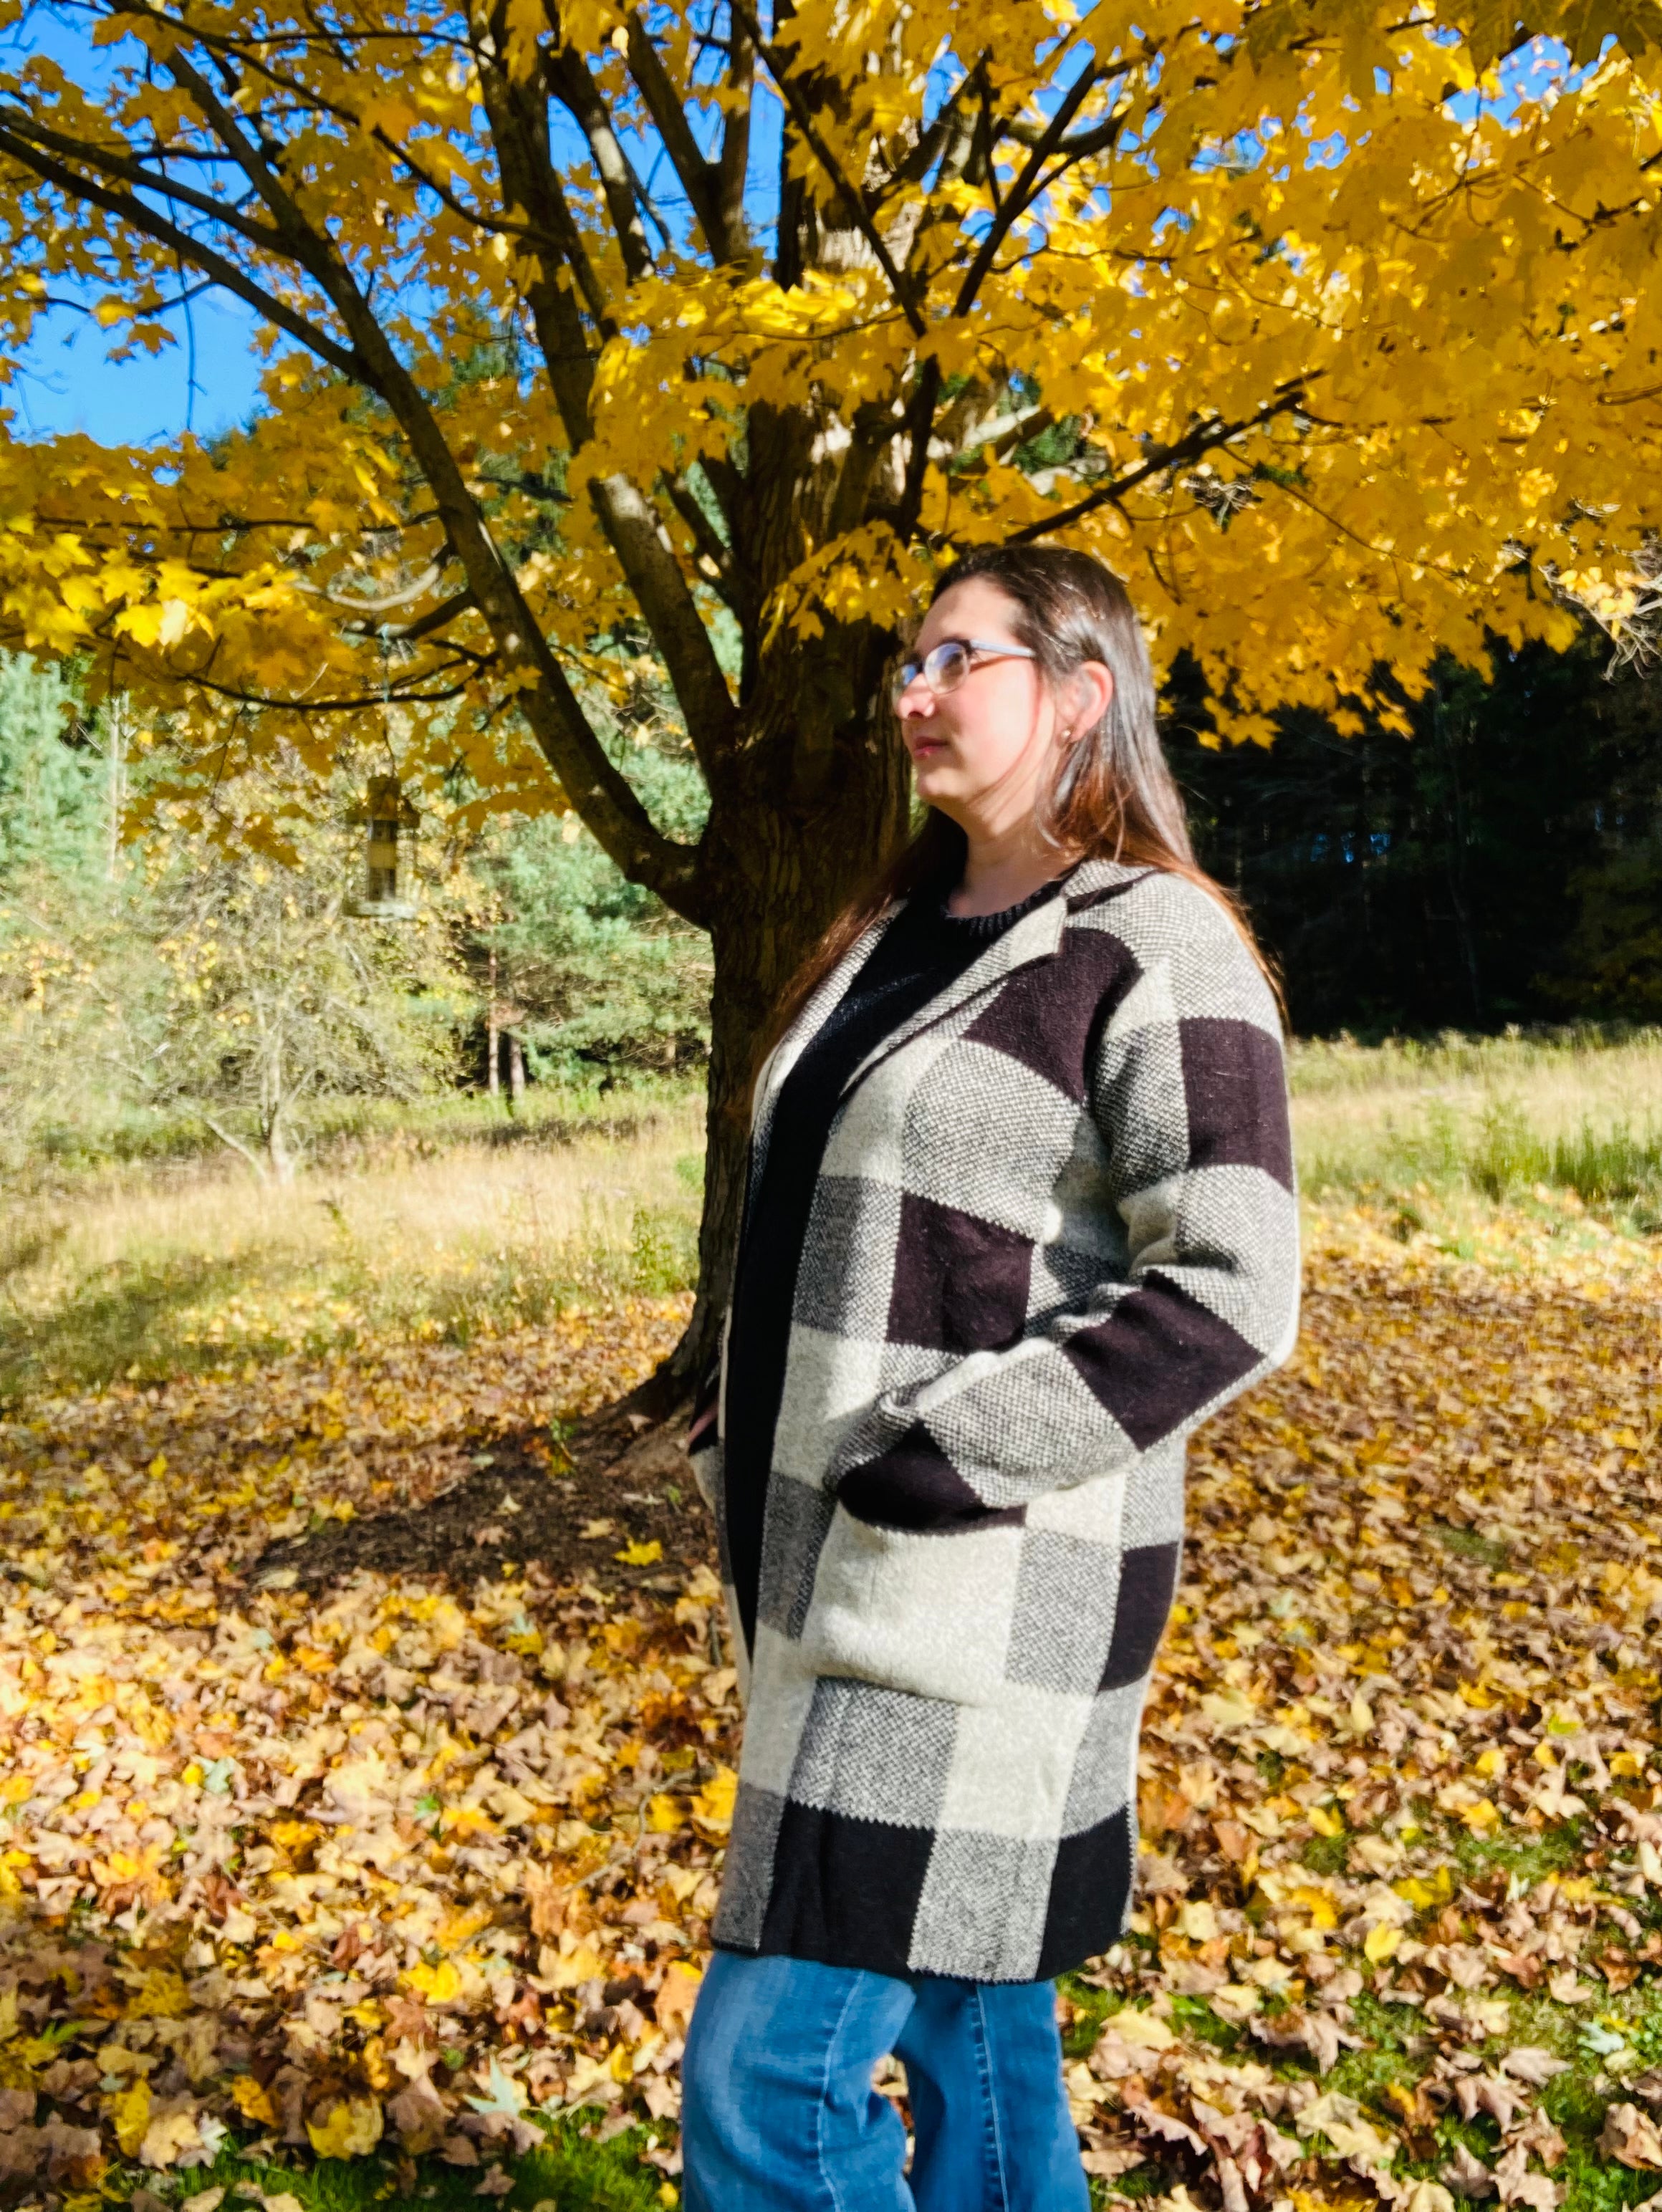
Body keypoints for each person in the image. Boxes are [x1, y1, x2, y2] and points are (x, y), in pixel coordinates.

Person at [678, 543, 1300, 2210]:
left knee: (766, 2076)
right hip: (827, 1580)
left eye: (959, 660)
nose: (913, 693)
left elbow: (1236, 1284)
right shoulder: (888, 925)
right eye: (906, 661)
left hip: (977, 1592)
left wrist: (941, 1455)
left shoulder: (1154, 942)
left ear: (1081, 695)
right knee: (970, 2020)